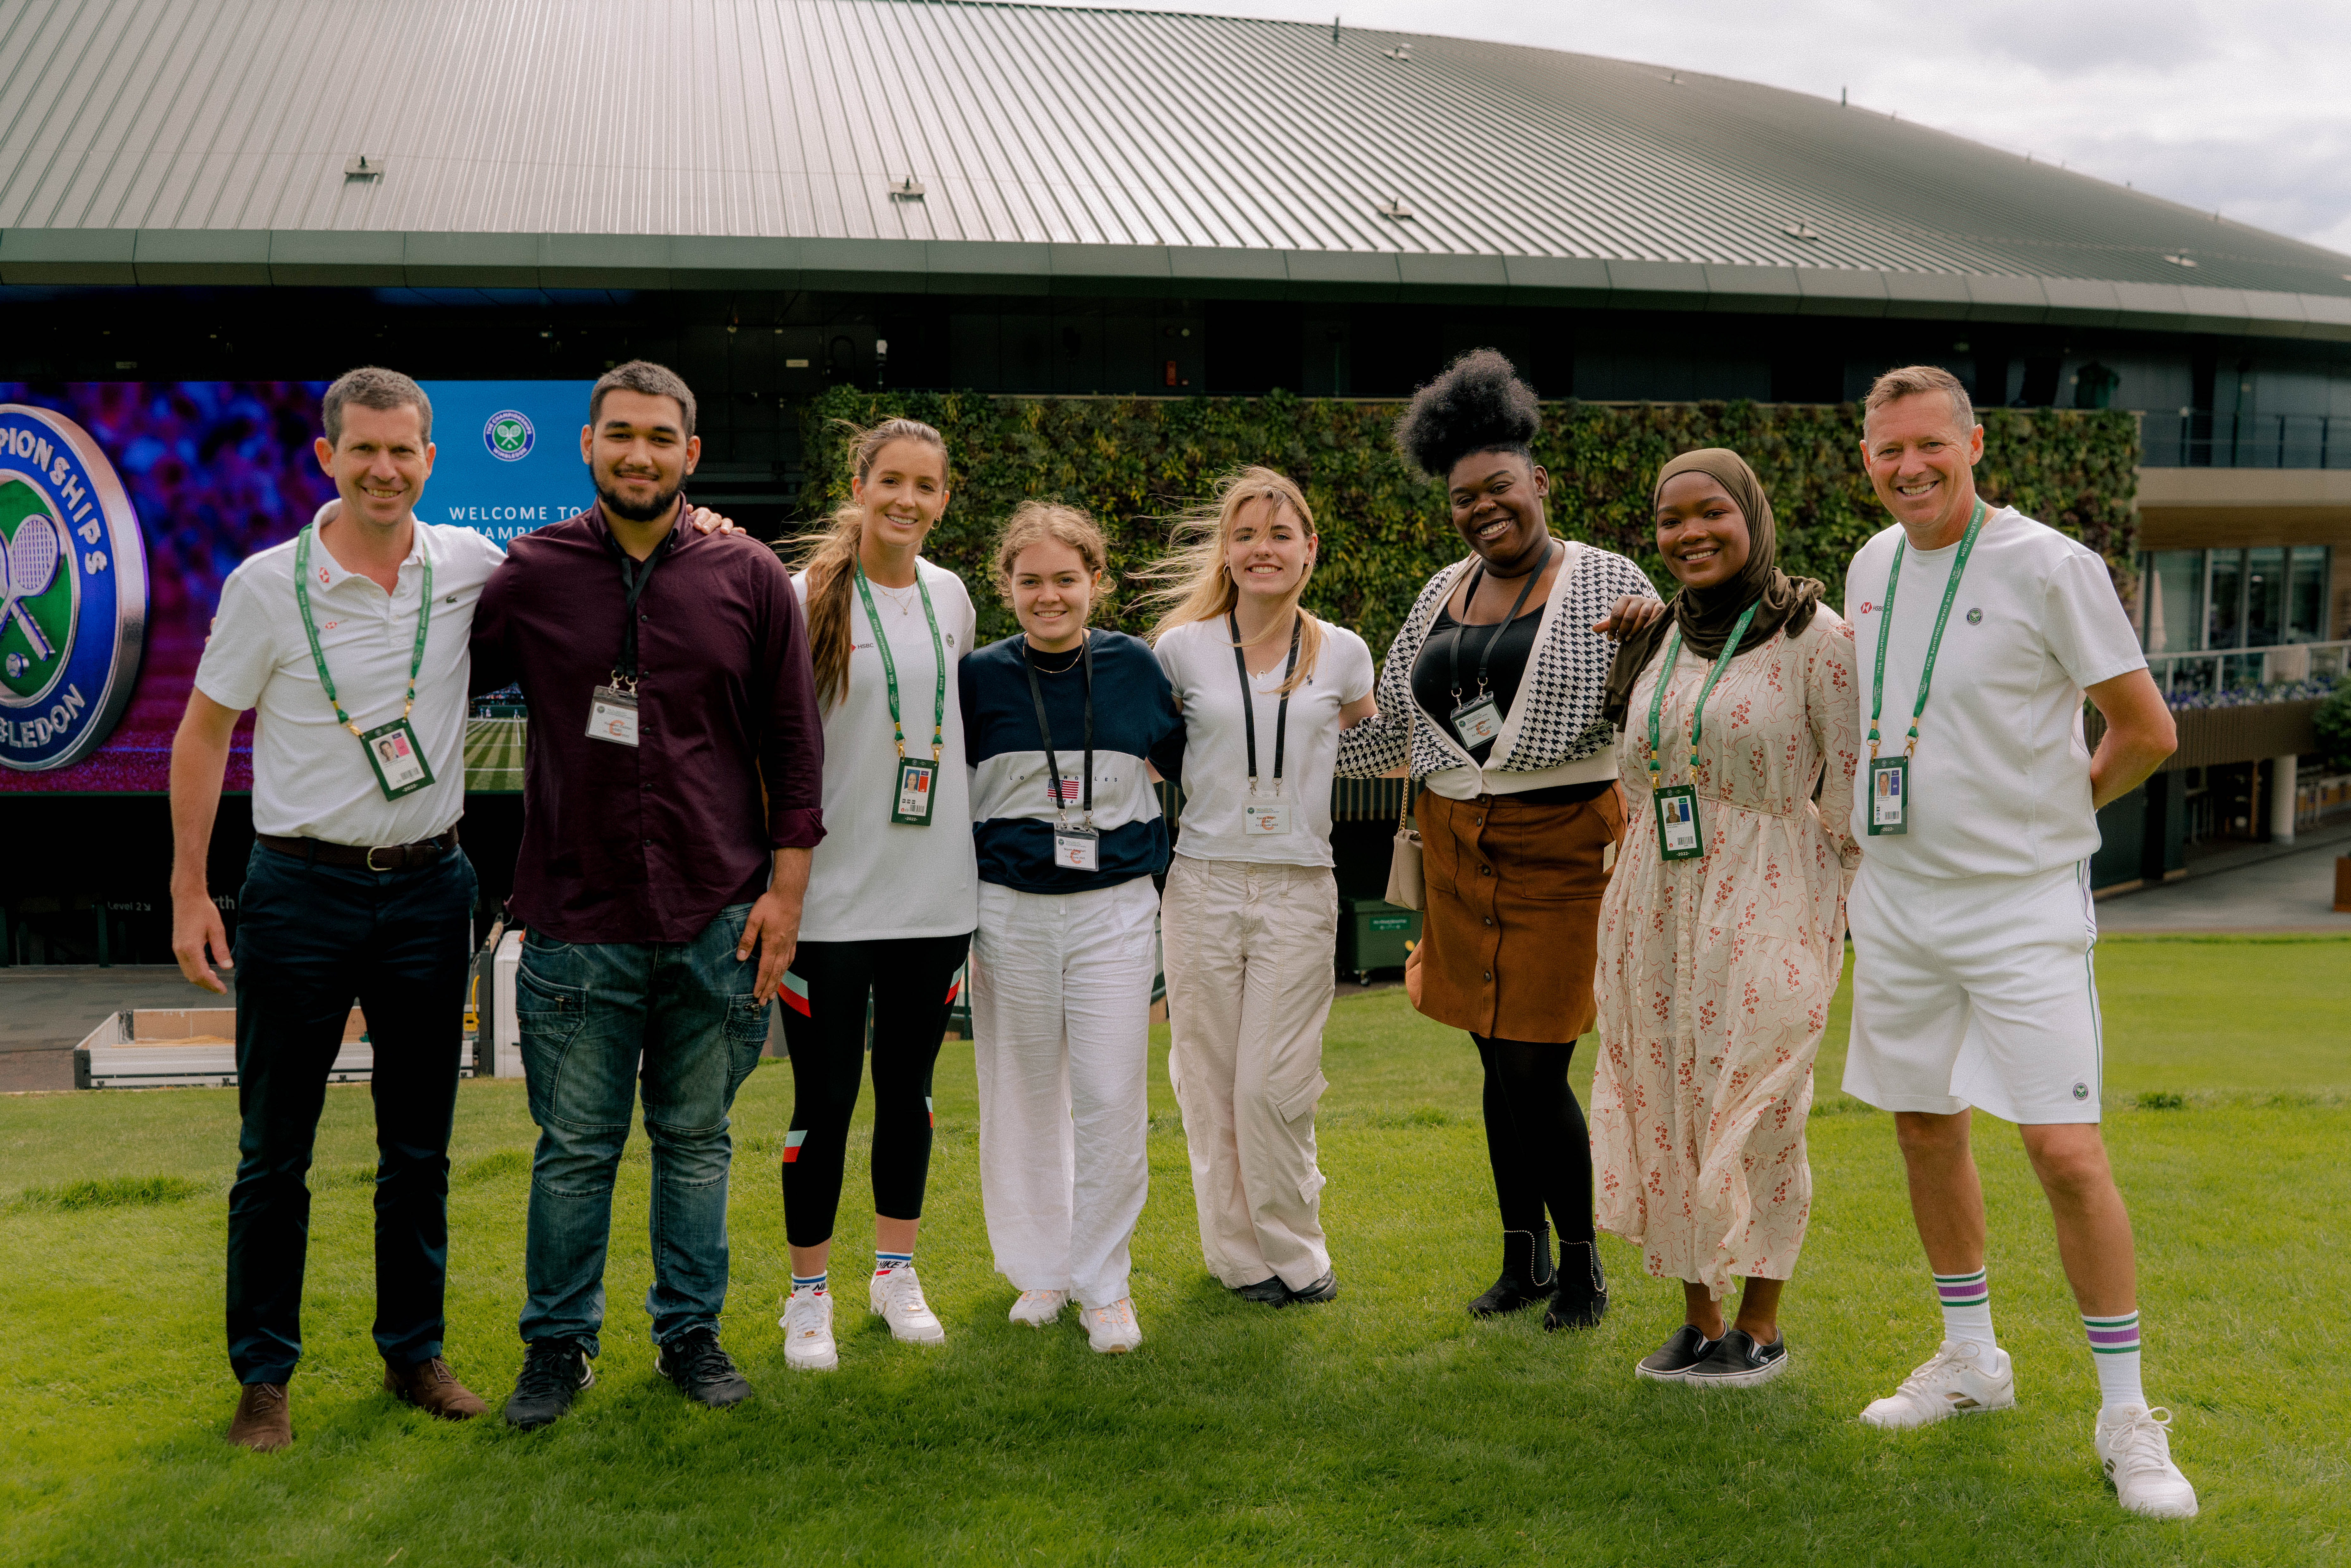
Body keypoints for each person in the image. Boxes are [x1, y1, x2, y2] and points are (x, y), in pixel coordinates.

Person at [1838, 366, 2193, 1518]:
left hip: (2021, 908)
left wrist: (2059, 816)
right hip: (1896, 897)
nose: (1911, 467)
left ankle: (2128, 1415)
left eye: (1930, 444)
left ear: (1974, 444)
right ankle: (1973, 1359)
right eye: (1890, 450)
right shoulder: (1872, 568)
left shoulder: (2051, 563)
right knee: (1926, 1126)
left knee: (2065, 1153)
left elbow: (2146, 730)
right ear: (1868, 461)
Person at [469, 360, 826, 1429]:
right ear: (587, 445)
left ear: (692, 453)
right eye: (620, 434)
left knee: (697, 1142)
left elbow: (795, 746)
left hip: (718, 912)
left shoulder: (749, 574)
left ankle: (690, 1337)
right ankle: (558, 1349)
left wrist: (785, 896)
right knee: (574, 1150)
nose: (639, 453)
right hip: (577, 919)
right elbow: (432, 679)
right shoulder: (529, 575)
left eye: (660, 437)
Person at [171, 368, 500, 1450]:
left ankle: (414, 1354)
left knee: (420, 1146)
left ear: (431, 459)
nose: (385, 469)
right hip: (298, 890)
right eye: (363, 450)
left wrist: (704, 518)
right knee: (276, 1152)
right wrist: (189, 888)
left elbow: (597, 567)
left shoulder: (468, 565)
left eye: (404, 451)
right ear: (326, 457)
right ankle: (263, 1377)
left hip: (428, 887)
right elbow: (204, 733)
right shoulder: (268, 585)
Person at [1335, 349, 1661, 1331]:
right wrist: (1295, 691)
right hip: (1454, 841)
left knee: (1533, 1064)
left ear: (1539, 483)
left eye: (1499, 487)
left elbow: (1652, 698)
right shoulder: (1442, 590)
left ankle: (1583, 1267)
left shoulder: (1609, 577)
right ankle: (1521, 1259)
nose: (1482, 507)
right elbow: (1389, 724)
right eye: (1463, 496)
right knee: (1492, 1062)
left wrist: (1652, 632)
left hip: (1561, 844)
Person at [1589, 448, 1862, 1386]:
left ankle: (1763, 1321)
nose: (1692, 533)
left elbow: (1853, 787)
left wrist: (1825, 899)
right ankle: (1699, 1320)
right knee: (1668, 1097)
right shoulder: (1658, 634)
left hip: (1772, 886)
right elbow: (1634, 776)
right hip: (1656, 895)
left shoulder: (1816, 636)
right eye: (1671, 519)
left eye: (1713, 512)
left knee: (1763, 1099)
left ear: (1753, 514)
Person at [772, 418, 979, 1372]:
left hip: (935, 898)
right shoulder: (801, 595)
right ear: (858, 484)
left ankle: (894, 1272)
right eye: (889, 480)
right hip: (828, 904)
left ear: (944, 496)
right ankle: (806, 1293)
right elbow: (770, 750)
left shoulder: (954, 597)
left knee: (911, 1094)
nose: (905, 499)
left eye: (924, 485)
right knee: (825, 1096)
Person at [1143, 467, 1376, 1308]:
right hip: (1203, 882)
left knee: (1273, 1082)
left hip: (1300, 885)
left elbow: (1351, 730)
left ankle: (1298, 1247)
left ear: (1309, 549)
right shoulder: (1180, 649)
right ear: (1226, 552)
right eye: (1246, 535)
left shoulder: (1346, 653)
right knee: (1206, 1077)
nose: (1263, 549)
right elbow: (1153, 753)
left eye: (1281, 534)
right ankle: (1238, 1256)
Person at [960, 501, 1185, 1353]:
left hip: (1115, 910)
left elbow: (1180, 756)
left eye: (1065, 578)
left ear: (1097, 580)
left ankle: (1105, 1283)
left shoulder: (1137, 665)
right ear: (1006, 586)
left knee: (1109, 1094)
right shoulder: (977, 675)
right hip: (1008, 910)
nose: (1048, 595)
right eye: (1030, 581)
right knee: (1021, 1097)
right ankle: (1041, 1270)